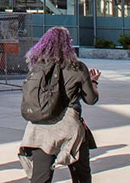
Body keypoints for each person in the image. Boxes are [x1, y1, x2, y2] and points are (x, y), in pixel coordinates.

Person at [18, 27, 100, 183]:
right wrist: (94, 82)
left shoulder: (37, 67)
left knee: (40, 178)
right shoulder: (77, 67)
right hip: (69, 127)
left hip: (40, 129)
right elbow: (91, 99)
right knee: (82, 175)